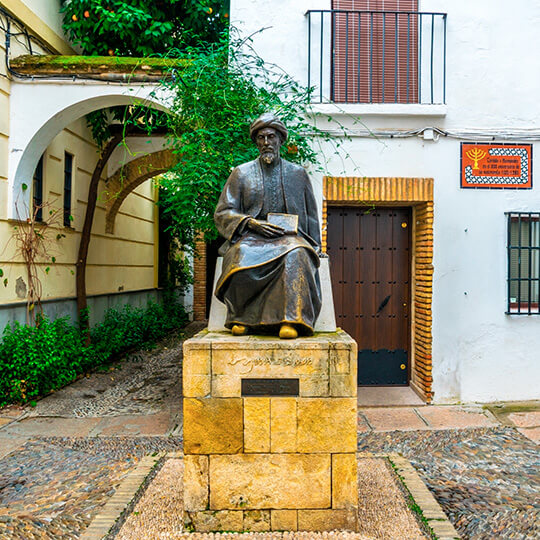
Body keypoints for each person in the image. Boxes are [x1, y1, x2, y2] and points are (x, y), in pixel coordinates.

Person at [214, 113, 322, 339]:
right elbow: (223, 212)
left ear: (280, 140)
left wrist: (316, 245)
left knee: (298, 254)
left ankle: (290, 320)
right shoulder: (241, 173)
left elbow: (311, 214)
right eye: (261, 138)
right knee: (240, 255)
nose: (266, 143)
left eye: (271, 137)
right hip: (251, 236)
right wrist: (251, 223)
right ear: (256, 142)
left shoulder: (298, 174)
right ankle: (241, 318)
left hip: (289, 237)